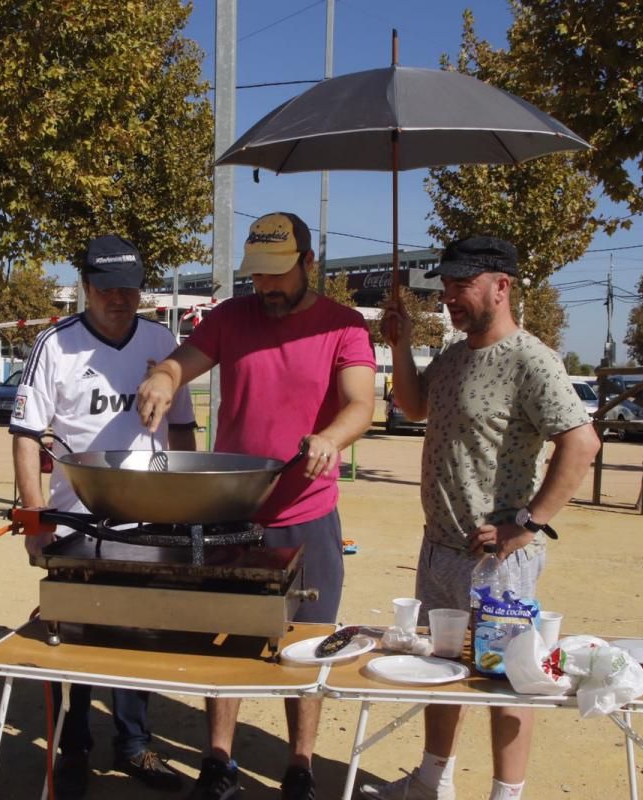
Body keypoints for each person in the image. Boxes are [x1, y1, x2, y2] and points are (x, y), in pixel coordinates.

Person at [136, 212, 377, 800]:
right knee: (226, 638)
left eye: (278, 274)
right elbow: (181, 362)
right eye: (258, 276)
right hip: (233, 510)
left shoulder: (344, 327)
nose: (266, 287)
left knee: (308, 641)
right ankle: (218, 761)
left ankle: (300, 766)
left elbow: (361, 406)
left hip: (307, 512)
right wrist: (166, 379)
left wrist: (331, 438)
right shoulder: (229, 318)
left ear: (308, 264)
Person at [364, 236, 601, 800]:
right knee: (441, 670)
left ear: (502, 285)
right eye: (445, 286)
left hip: (498, 560)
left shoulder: (531, 360)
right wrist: (399, 345)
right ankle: (432, 782)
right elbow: (416, 406)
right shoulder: (454, 354)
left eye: (461, 285)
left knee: (510, 680)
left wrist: (530, 524)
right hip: (441, 549)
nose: (449, 296)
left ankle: (505, 794)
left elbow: (582, 442)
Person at [10, 235, 199, 800]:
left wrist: (187, 503)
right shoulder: (56, 346)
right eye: (108, 288)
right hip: (77, 522)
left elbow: (183, 428)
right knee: (71, 638)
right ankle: (73, 749)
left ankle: (135, 743)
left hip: (148, 520)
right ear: (86, 288)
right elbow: (25, 436)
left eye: (131, 288)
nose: (121, 298)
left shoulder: (163, 342)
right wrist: (33, 515)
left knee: (138, 634)